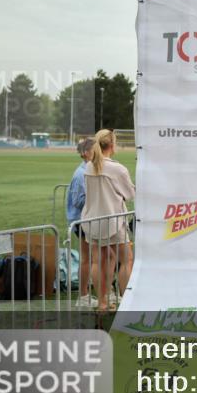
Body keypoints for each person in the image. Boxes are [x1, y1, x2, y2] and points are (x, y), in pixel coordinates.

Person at [82, 129, 136, 311]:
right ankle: (126, 301)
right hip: (112, 220)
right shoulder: (117, 168)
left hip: (92, 220)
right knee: (126, 259)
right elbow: (130, 194)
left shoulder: (90, 165)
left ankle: (103, 303)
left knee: (99, 260)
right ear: (112, 145)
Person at [67, 138, 96, 308]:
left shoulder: (89, 170)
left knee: (92, 257)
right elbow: (78, 201)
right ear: (85, 153)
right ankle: (83, 296)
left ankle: (87, 294)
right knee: (87, 259)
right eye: (94, 149)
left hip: (87, 218)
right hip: (81, 220)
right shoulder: (80, 174)